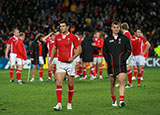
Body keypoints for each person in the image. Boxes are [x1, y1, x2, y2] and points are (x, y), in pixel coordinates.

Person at [49, 20, 82, 110]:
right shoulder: (57, 37)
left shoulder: (72, 37)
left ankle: (69, 103)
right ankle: (59, 104)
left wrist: (73, 57)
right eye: (61, 26)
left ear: (67, 27)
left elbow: (79, 49)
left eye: (63, 26)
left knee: (70, 84)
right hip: (60, 62)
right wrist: (50, 60)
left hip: (70, 64)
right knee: (59, 82)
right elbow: (54, 48)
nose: (62, 28)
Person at [103, 21, 131, 107]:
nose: (116, 29)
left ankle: (121, 100)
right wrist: (108, 61)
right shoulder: (107, 39)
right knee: (112, 82)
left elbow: (129, 50)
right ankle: (114, 99)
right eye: (114, 27)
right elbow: (104, 51)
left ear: (119, 28)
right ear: (111, 28)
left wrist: (124, 59)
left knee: (121, 81)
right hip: (111, 65)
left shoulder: (124, 38)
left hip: (121, 64)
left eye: (117, 27)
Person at [120, 22, 133, 88]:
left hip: (127, 52)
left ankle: (130, 83)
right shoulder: (127, 33)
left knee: (127, 67)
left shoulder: (126, 34)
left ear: (122, 28)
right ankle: (123, 82)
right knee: (124, 67)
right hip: (127, 52)